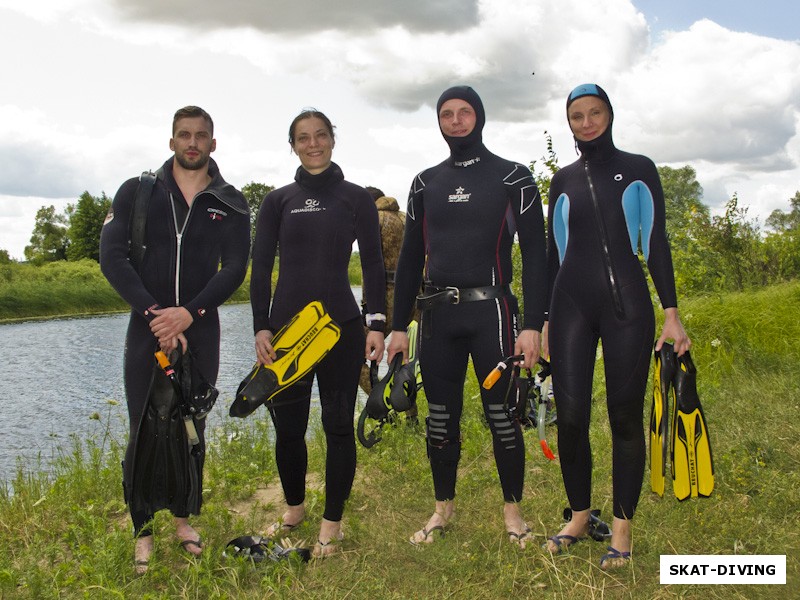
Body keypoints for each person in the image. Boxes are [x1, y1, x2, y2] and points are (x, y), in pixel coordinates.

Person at [387, 86, 547, 547]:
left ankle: (513, 513)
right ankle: (442, 510)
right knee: (440, 417)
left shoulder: (513, 178)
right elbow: (410, 258)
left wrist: (533, 324)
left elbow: (536, 255)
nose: (456, 121)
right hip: (437, 315)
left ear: (480, 116)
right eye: (446, 114)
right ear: (438, 121)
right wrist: (399, 327)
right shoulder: (425, 183)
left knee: (503, 415)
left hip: (493, 313)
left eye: (464, 112)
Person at [542, 84, 691, 569]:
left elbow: (658, 243)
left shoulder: (640, 169)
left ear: (610, 114)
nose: (586, 123)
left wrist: (671, 312)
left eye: (595, 113)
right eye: (577, 116)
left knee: (624, 417)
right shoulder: (560, 180)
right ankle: (580, 514)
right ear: (569, 123)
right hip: (570, 305)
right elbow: (552, 255)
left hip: (627, 304)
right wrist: (542, 320)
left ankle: (623, 526)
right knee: (570, 416)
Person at [99, 106, 250, 573]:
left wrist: (189, 313)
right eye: (184, 135)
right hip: (146, 329)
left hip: (200, 329)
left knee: (191, 427)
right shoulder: (137, 192)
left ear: (213, 144)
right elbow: (113, 257)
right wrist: (155, 314)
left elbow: (235, 268)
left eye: (201, 136)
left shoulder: (231, 202)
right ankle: (142, 530)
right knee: (142, 426)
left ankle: (183, 520)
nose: (192, 142)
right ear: (171, 142)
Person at [249, 109, 385, 558]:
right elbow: (262, 267)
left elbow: (372, 265)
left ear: (332, 139)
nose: (313, 144)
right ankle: (294, 509)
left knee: (337, 425)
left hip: (340, 329)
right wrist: (261, 326)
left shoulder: (355, 198)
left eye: (320, 136)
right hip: (287, 333)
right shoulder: (276, 201)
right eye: (303, 138)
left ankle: (332, 521)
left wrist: (377, 323)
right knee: (288, 429)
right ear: (292, 145)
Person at [358, 186, 415, 396]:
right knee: (403, 356)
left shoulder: (374, 219)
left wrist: (368, 308)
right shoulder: (407, 217)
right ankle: (410, 414)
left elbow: (370, 267)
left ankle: (381, 404)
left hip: (387, 295)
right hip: (417, 295)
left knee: (351, 353)